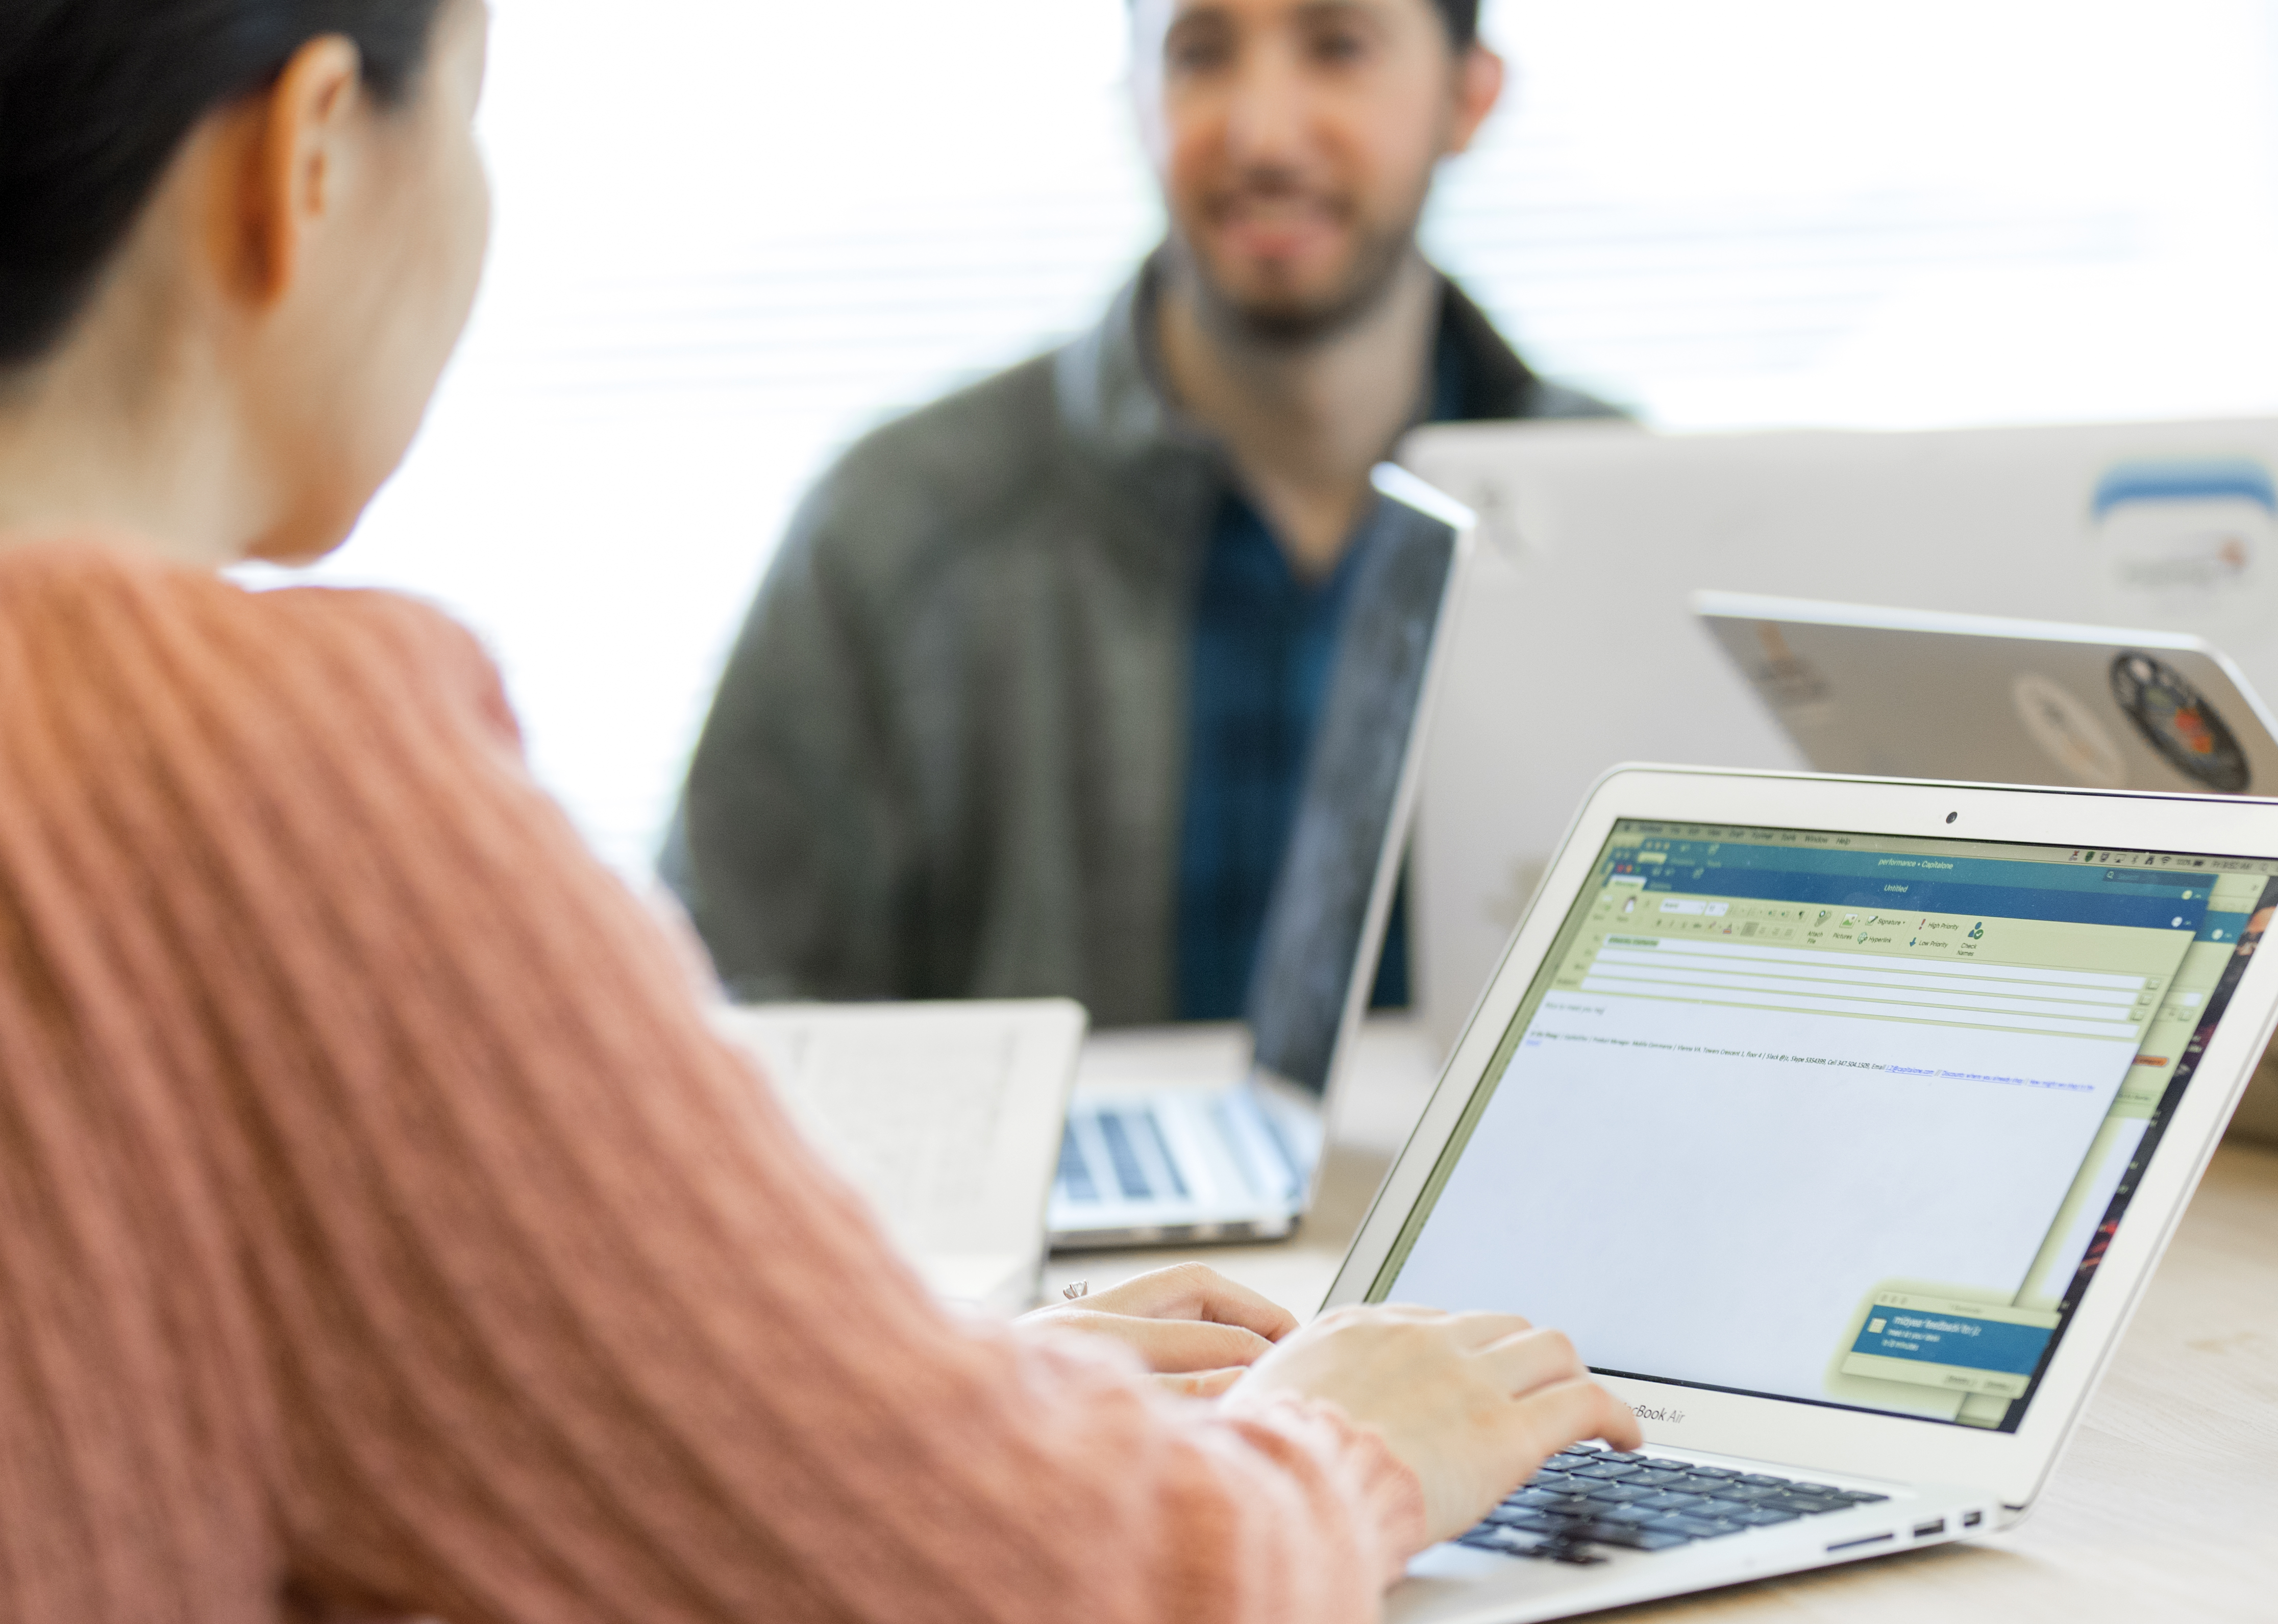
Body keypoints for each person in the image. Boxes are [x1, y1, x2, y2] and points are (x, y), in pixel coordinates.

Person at [0, 4, 1637, 1624]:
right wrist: (1353, 1426)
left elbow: (38, 1508)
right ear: (313, 153)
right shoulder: (264, 769)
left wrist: (853, 1425)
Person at [664, 0, 1620, 1027]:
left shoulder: (1623, 529)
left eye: (1337, 47)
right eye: (1199, 54)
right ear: (1134, 100)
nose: (1261, 133)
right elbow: (716, 1019)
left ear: (1468, 96)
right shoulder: (896, 530)